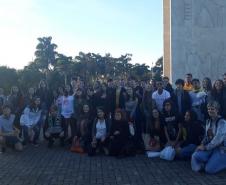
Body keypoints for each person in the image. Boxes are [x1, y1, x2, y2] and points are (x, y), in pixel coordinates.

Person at [191, 101, 226, 174]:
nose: (210, 111)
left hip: (221, 149)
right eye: (209, 109)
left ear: (217, 110)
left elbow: (217, 140)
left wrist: (205, 148)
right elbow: (207, 137)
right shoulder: (208, 121)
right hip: (211, 148)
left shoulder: (222, 122)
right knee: (195, 155)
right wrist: (201, 145)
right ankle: (206, 164)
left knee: (209, 170)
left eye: (212, 109)